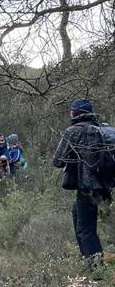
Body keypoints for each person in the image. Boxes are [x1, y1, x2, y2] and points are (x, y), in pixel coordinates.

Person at [53, 98, 113, 265]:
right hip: (108, 186)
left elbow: (57, 161)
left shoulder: (73, 131)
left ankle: (95, 269)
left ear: (74, 113)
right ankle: (88, 257)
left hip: (87, 188)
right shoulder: (104, 129)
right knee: (77, 213)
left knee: (86, 228)